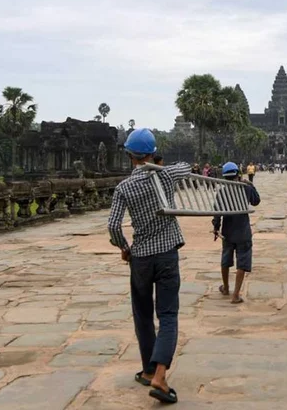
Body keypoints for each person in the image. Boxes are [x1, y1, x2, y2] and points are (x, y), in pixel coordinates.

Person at [108, 128, 189, 404]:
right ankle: (160, 375)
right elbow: (186, 166)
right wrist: (161, 166)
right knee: (167, 314)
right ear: (154, 153)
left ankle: (148, 368)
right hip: (167, 254)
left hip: (140, 257)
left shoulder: (124, 188)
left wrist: (124, 247)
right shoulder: (165, 175)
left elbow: (113, 225)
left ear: (130, 156)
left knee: (142, 314)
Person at [213, 162, 261, 304]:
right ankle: (235, 294)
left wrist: (216, 228)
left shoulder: (222, 192)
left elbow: (217, 213)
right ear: (238, 174)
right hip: (243, 231)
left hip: (228, 231)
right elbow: (256, 201)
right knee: (242, 262)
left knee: (226, 259)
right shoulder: (245, 188)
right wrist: (250, 185)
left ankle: (226, 287)